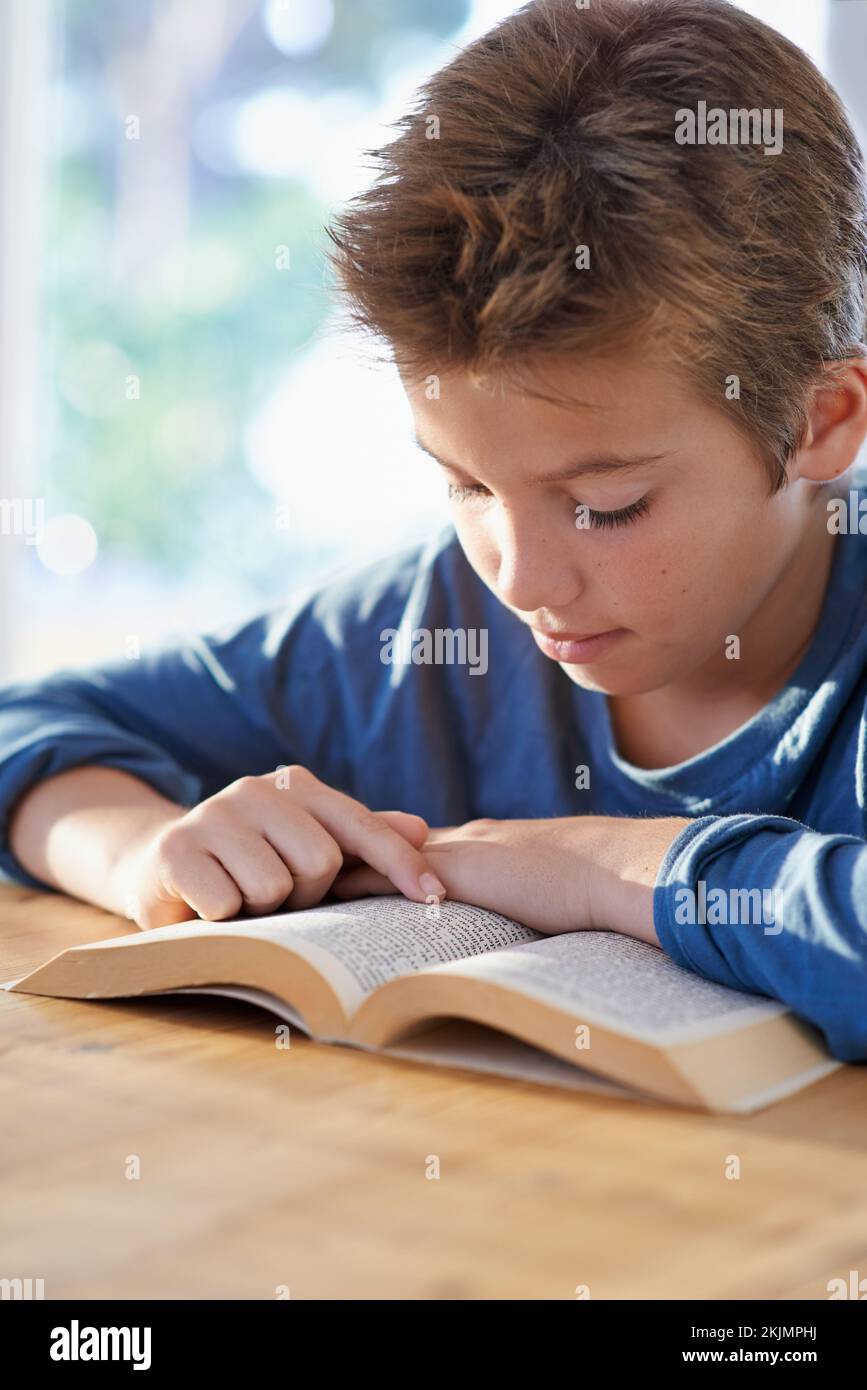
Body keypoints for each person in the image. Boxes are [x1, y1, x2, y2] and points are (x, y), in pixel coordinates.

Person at [2, 0, 867, 1060]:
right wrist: (142, 853)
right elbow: (26, 722)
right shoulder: (418, 632)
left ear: (823, 419)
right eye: (464, 484)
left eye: (606, 506)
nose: (524, 578)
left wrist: (610, 864)